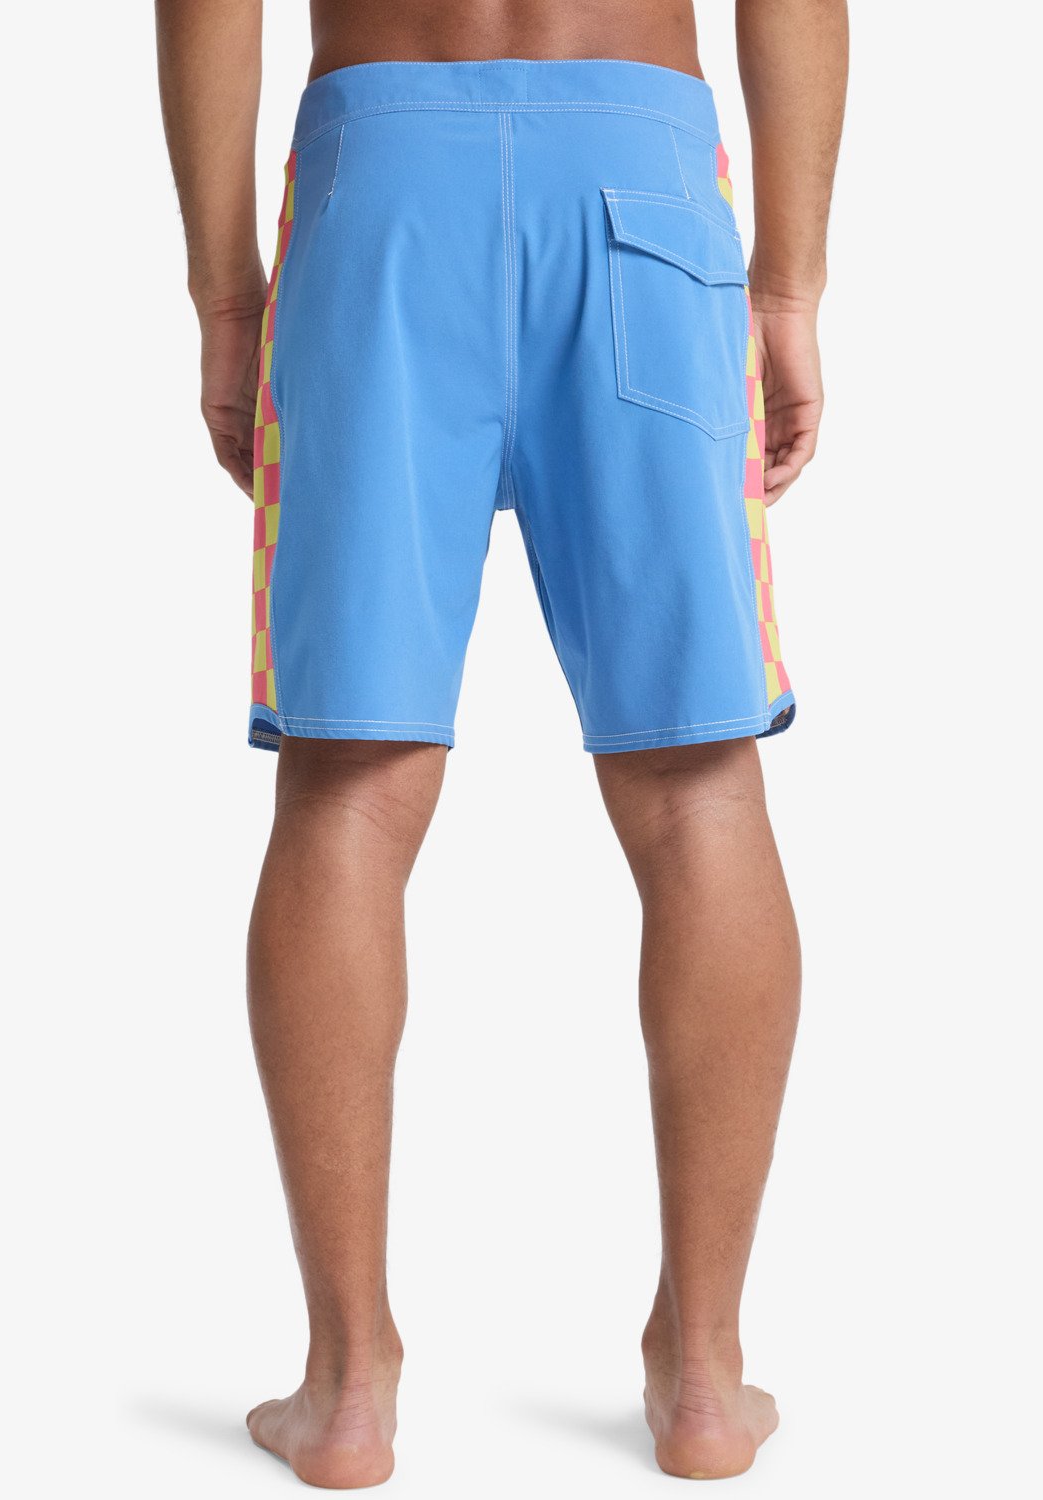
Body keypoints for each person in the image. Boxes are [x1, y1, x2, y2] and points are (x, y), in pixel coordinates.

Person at [156, 0, 846, 1484]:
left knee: (346, 789)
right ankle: (704, 1380)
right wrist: (787, 287)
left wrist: (225, 295)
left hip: (383, 182)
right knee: (698, 783)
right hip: (640, 174)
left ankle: (348, 1390)